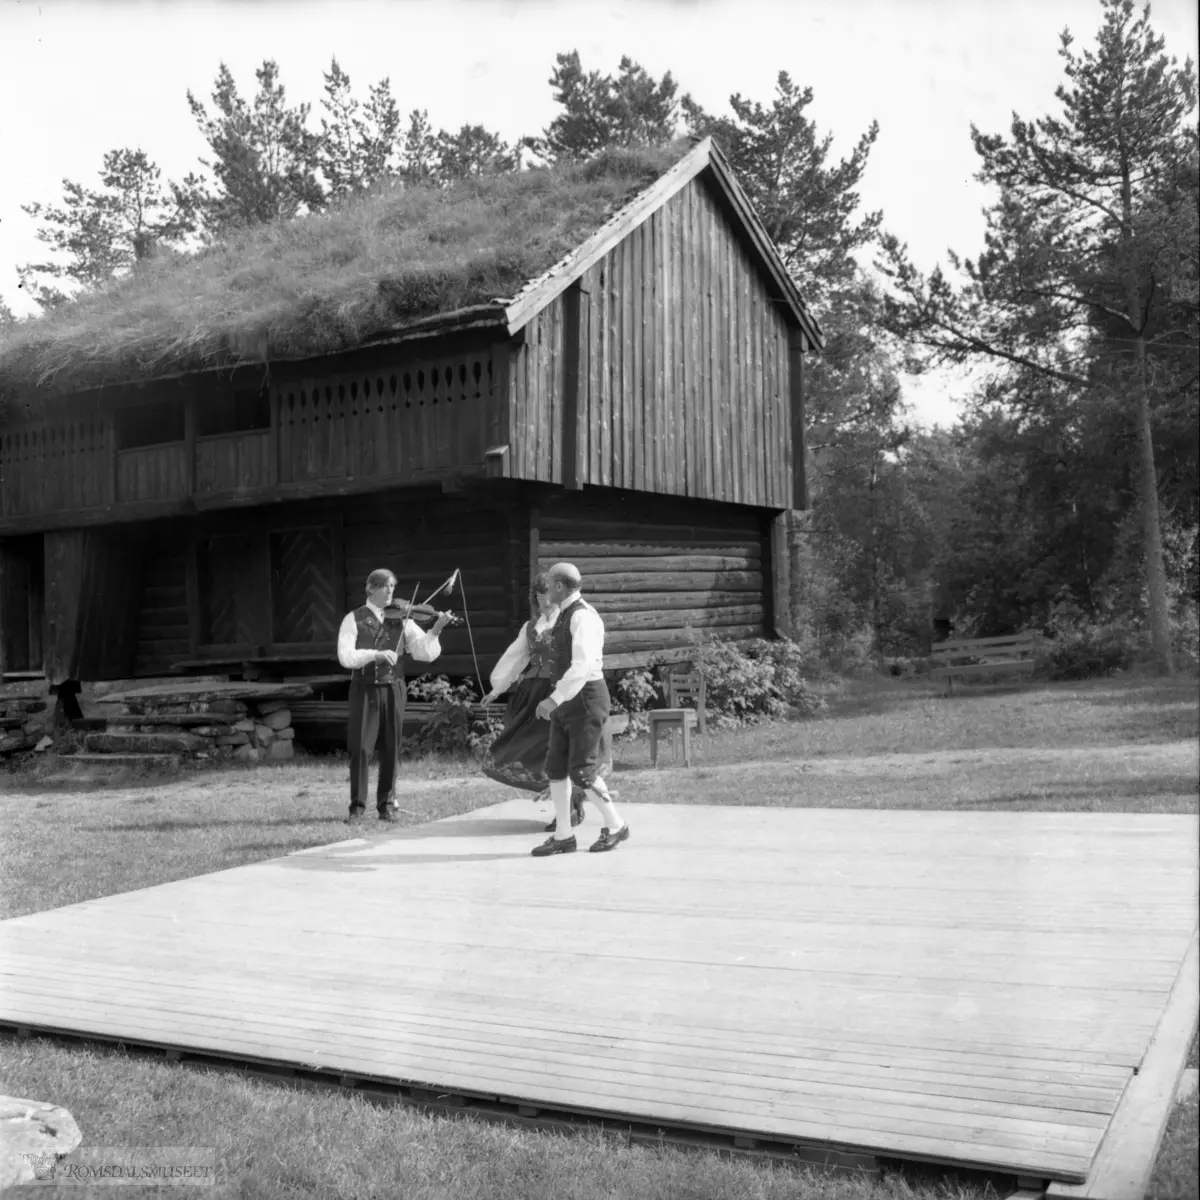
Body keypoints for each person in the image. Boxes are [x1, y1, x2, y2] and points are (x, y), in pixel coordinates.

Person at [480, 573, 612, 831]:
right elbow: (514, 659)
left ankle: (575, 811)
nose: (545, 604)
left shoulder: (573, 619)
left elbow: (584, 660)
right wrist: (497, 689)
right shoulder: (531, 627)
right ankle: (567, 812)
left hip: (563, 693)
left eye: (548, 598)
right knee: (536, 752)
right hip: (533, 697)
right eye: (539, 600)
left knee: (567, 753)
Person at [336, 569, 451, 824]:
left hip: (394, 687)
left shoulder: (403, 619)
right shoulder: (353, 619)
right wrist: (374, 655)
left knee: (391, 747)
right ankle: (357, 809)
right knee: (361, 748)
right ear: (371, 588)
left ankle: (386, 806)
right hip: (365, 687)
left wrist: (436, 630)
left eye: (393, 587)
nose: (390, 592)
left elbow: (425, 653)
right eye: (385, 586)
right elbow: (346, 657)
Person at [530, 562, 629, 856]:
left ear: (560, 586)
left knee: (582, 772)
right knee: (556, 768)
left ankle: (617, 826)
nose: (545, 589)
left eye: (548, 584)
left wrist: (553, 699)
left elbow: (583, 666)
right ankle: (564, 835)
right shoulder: (562, 615)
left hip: (585, 698)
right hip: (568, 698)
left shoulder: (583, 617)